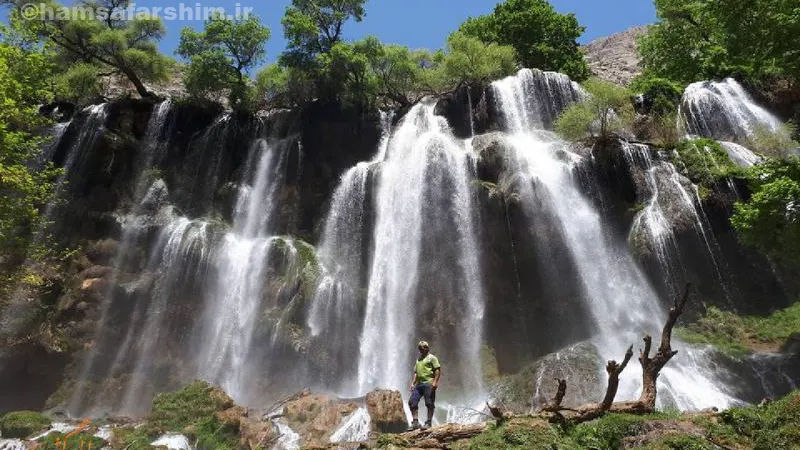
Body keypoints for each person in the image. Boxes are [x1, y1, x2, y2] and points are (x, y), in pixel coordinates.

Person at [408, 340, 441, 430]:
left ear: (427, 348)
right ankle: (415, 422)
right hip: (419, 384)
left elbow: (437, 370)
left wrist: (435, 382)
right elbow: (416, 373)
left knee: (429, 402)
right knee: (412, 401)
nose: (422, 349)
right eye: (420, 348)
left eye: (423, 348)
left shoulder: (432, 358)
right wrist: (412, 383)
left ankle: (428, 422)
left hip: (429, 383)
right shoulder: (418, 360)